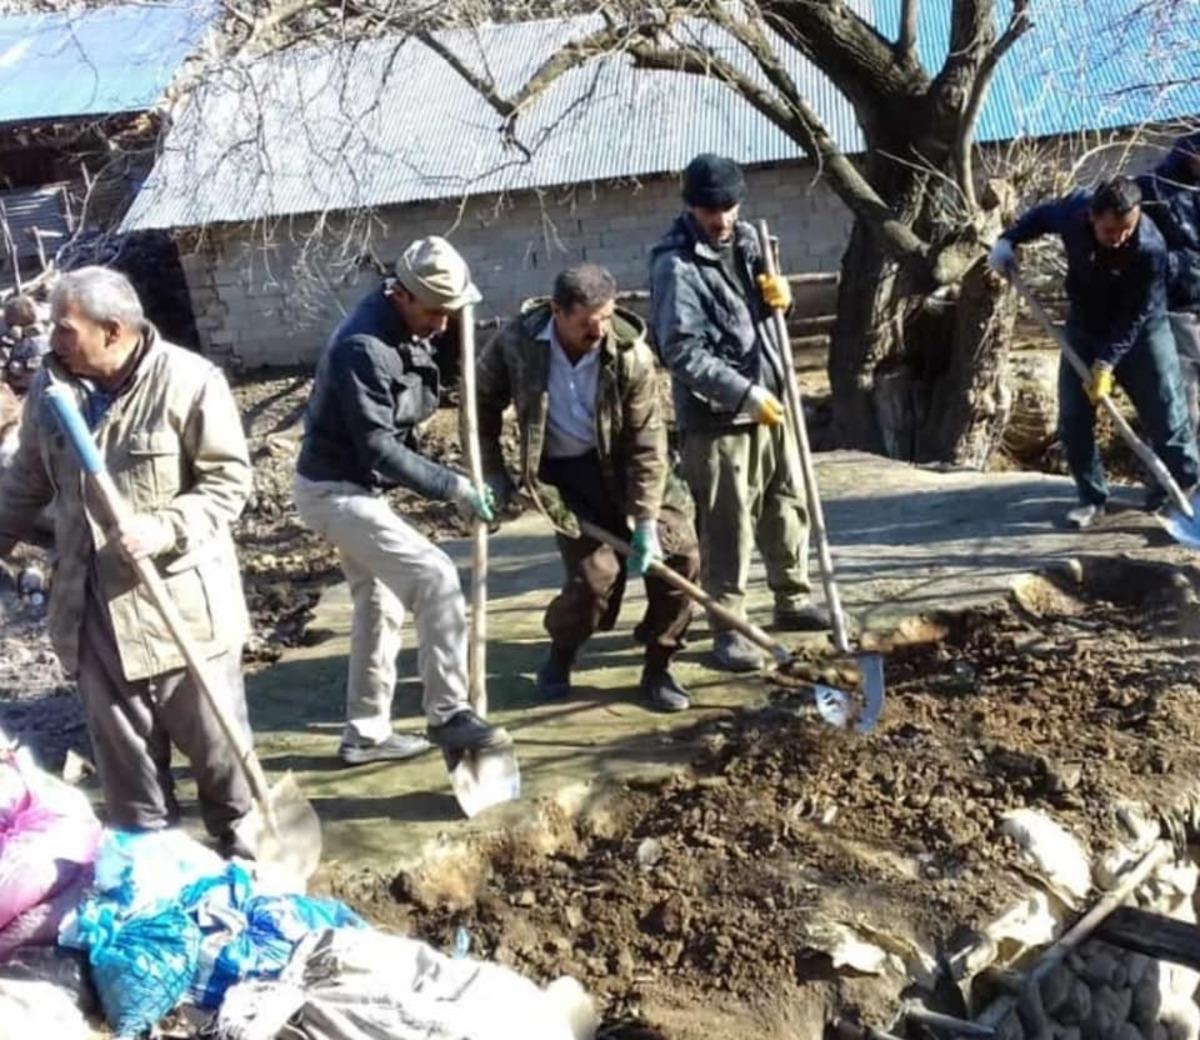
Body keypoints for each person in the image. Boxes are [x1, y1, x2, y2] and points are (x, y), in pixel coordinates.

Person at [0, 267, 256, 856]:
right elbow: (24, 483)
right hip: (92, 612)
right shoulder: (51, 391)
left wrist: (164, 526)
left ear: (113, 331)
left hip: (181, 612)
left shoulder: (190, 384)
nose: (51, 340)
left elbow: (228, 483)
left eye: (64, 329)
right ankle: (155, 876)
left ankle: (247, 864)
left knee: (222, 762)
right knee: (132, 790)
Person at [293, 236, 508, 766]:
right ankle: (449, 714)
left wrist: (459, 329)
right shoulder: (362, 348)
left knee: (381, 602)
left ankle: (364, 736)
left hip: (361, 489)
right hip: (333, 491)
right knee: (434, 575)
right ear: (402, 294)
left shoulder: (418, 325)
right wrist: (453, 487)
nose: (442, 324)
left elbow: (440, 372)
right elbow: (379, 447)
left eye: (449, 312)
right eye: (433, 311)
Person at [477, 264, 702, 712]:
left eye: (606, 317)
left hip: (632, 470)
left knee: (681, 556)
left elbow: (647, 444)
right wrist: (493, 474)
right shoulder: (518, 344)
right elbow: (479, 403)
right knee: (594, 582)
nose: (599, 331)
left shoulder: (630, 354)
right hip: (567, 478)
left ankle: (659, 664)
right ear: (558, 312)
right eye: (586, 322)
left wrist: (644, 523)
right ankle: (562, 653)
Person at [648, 152, 827, 674]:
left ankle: (792, 597)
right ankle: (729, 626)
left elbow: (765, 319)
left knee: (786, 504)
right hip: (719, 417)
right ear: (691, 207)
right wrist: (742, 393)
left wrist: (782, 301)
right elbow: (681, 351)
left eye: (729, 207)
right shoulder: (676, 265)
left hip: (773, 398)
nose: (722, 219)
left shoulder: (752, 243)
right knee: (728, 525)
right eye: (711, 210)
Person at [989, 176, 1200, 527]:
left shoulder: (1150, 248)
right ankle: (1091, 497)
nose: (1120, 237)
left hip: (1144, 331)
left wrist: (1106, 364)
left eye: (1127, 228)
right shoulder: (1073, 212)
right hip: (1084, 328)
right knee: (1073, 419)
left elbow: (1135, 316)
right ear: (1092, 217)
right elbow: (1041, 216)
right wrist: (1008, 240)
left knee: (1167, 412)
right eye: (1110, 231)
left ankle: (1181, 493)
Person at [1137, 132, 1200, 437]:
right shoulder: (1153, 188)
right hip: (1177, 304)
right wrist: (1176, 269)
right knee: (1182, 392)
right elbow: (1144, 250)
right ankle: (1180, 462)